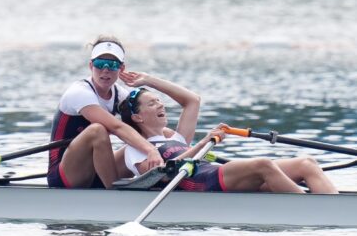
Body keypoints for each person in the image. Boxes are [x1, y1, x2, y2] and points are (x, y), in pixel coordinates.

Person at [118, 71, 338, 194]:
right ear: (137, 117)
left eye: (159, 100)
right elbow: (160, 176)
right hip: (203, 183)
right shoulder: (135, 149)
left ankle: (335, 206)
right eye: (152, 104)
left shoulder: (176, 138)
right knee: (262, 164)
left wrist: (149, 80)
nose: (161, 105)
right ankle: (312, 207)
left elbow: (192, 101)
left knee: (306, 163)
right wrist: (204, 142)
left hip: (218, 173)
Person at [47, 36, 163, 189]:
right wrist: (150, 150)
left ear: (121, 69)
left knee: (148, 130)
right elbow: (117, 127)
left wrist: (149, 80)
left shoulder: (119, 95)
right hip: (64, 175)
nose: (105, 70)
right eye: (100, 64)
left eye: (113, 65)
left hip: (95, 171)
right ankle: (113, 192)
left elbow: (144, 124)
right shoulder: (79, 92)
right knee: (97, 130)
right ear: (91, 66)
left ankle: (165, 175)